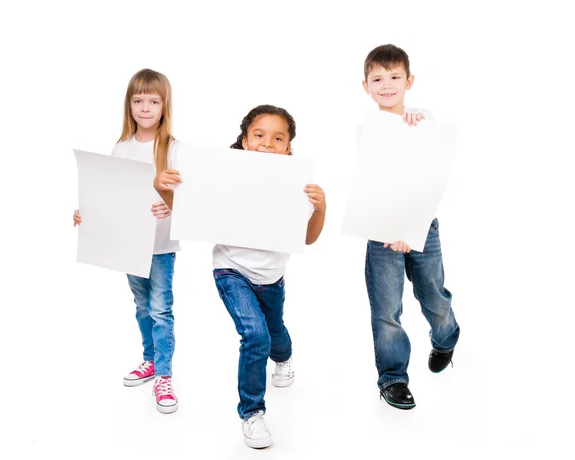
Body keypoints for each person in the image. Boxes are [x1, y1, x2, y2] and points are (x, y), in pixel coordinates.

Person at [154, 104, 326, 448]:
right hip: (231, 270)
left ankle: (285, 358)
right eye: (259, 135)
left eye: (278, 138)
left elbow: (308, 237)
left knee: (274, 332)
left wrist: (320, 207)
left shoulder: (296, 183)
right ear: (245, 141)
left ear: (288, 147)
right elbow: (190, 211)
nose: (267, 143)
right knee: (255, 335)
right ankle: (252, 413)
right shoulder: (223, 174)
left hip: (272, 277)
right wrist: (163, 188)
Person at [73, 69, 180, 414]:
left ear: (164, 106)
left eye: (153, 101)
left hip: (160, 245)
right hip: (129, 245)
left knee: (162, 309)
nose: (145, 107)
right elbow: (109, 194)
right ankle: (149, 360)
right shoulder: (120, 148)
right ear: (129, 105)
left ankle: (164, 374)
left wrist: (169, 204)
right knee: (143, 306)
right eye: (138, 100)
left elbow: (188, 199)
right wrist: (86, 213)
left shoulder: (172, 149)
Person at [361, 44, 460, 410]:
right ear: (365, 86)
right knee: (386, 308)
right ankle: (393, 378)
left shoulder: (424, 119)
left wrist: (420, 126)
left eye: (394, 77)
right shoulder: (369, 128)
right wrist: (392, 227)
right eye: (377, 79)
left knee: (433, 296)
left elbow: (431, 174)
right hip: (382, 230)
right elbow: (375, 183)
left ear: (409, 81)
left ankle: (447, 336)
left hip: (422, 225)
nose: (386, 85)